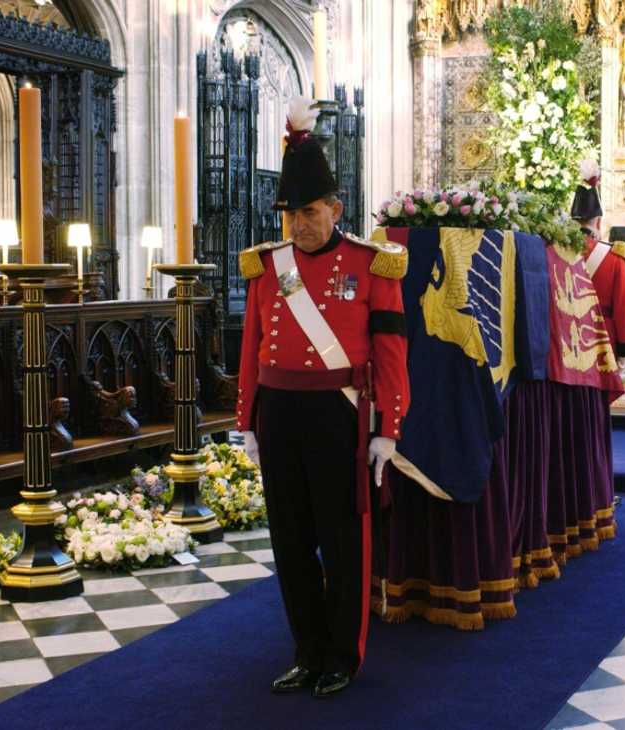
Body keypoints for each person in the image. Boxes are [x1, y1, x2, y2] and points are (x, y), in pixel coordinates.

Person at [236, 96, 410, 699]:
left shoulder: (372, 265)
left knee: (343, 541)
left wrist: (387, 427)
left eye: (308, 212)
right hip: (280, 414)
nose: (298, 224)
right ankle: (306, 651)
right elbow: (253, 347)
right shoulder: (268, 267)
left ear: (335, 208)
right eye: (290, 214)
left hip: (340, 416)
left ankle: (342, 655)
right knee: (288, 540)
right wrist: (248, 420)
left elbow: (390, 353)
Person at [570, 159, 625, 366]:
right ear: (598, 221)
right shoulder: (614, 258)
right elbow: (623, 307)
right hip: (603, 338)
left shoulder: (555, 252)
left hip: (567, 336)